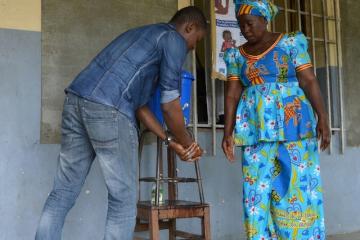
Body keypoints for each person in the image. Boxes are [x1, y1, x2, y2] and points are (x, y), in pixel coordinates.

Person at [35, 6, 206, 240]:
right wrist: (189, 144)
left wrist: (170, 140)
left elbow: (140, 106)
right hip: (110, 110)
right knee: (123, 200)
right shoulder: (173, 39)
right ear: (189, 27)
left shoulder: (138, 35)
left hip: (76, 101)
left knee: (63, 192)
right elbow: (169, 103)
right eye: (196, 41)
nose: (192, 48)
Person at [222, 0, 330, 239]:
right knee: (256, 188)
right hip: (255, 130)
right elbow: (231, 94)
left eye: (249, 24)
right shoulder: (236, 56)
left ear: (264, 19)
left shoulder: (291, 43)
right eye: (241, 26)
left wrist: (323, 116)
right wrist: (227, 132)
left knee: (298, 184)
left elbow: (309, 81)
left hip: (296, 126)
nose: (245, 30)